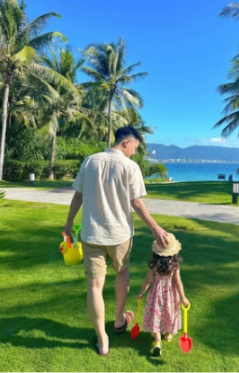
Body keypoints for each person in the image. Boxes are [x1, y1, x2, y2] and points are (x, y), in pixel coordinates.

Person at [63, 126, 170, 356]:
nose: (134, 153)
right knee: (122, 273)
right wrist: (155, 228)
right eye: (134, 148)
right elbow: (137, 203)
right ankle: (119, 320)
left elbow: (78, 196)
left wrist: (68, 223)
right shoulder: (130, 166)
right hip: (119, 234)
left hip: (91, 234)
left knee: (94, 285)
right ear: (125, 143)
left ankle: (103, 339)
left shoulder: (90, 161)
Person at [137, 233, 189, 356]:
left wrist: (141, 292)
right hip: (170, 295)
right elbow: (178, 282)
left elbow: (148, 280)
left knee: (155, 313)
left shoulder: (154, 265)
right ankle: (168, 333)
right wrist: (183, 297)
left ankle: (157, 341)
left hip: (156, 294)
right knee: (169, 313)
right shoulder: (174, 265)